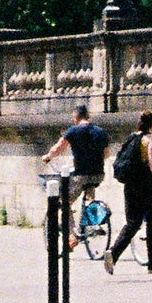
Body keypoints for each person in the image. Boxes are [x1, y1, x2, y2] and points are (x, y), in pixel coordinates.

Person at [40, 101, 110, 249]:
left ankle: (72, 236)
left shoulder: (73, 131)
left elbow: (58, 148)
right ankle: (94, 222)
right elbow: (106, 154)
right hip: (98, 174)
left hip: (80, 176)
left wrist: (47, 156)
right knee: (89, 197)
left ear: (76, 117)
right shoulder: (101, 132)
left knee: (65, 203)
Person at [104, 109, 152, 276]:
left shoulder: (132, 137)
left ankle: (114, 253)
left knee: (133, 223)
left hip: (130, 185)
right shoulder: (151, 139)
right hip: (148, 186)